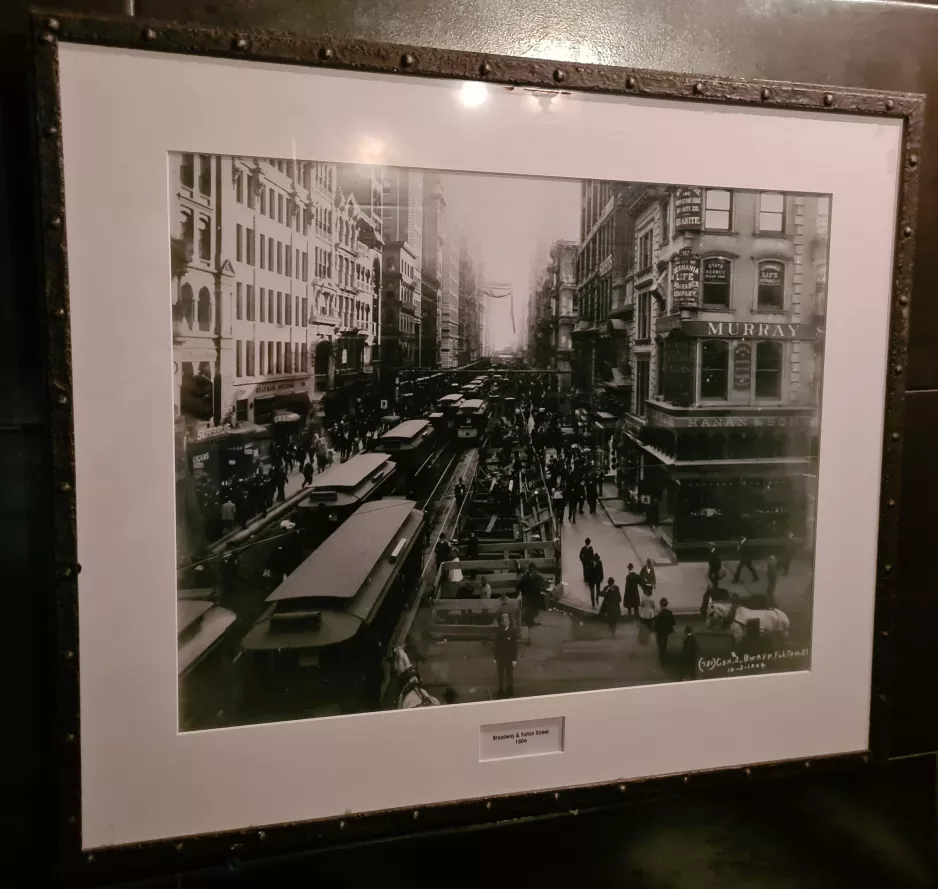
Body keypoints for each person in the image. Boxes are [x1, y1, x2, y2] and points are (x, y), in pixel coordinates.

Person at [493, 612, 519, 697]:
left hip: (509, 658)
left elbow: (514, 646)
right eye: (503, 620)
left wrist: (514, 659)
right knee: (500, 675)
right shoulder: (499, 631)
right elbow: (496, 645)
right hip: (500, 658)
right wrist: (495, 657)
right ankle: (500, 691)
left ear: (509, 621)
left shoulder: (512, 632)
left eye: (506, 620)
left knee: (509, 675)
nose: (505, 622)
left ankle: (510, 691)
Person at [653, 597, 676, 665]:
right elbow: (673, 622)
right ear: (666, 604)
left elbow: (657, 624)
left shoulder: (660, 614)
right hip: (667, 631)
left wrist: (654, 629)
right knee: (665, 642)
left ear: (660, 605)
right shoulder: (669, 612)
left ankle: (662, 658)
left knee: (660, 644)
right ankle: (664, 656)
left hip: (660, 631)